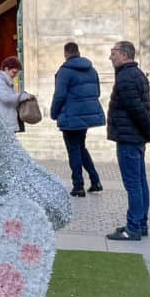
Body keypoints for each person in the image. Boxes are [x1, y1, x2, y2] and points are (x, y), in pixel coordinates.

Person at [106, 41, 150, 241]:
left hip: (129, 138)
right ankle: (140, 223)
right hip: (136, 137)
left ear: (125, 55)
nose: (111, 57)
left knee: (134, 184)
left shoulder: (126, 77)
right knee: (140, 182)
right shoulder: (136, 74)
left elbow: (137, 109)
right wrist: (149, 132)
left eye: (113, 53)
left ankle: (133, 228)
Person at [50, 41, 104, 197]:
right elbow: (97, 92)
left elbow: (59, 95)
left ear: (66, 54)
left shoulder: (65, 71)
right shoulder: (92, 70)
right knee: (81, 148)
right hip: (86, 117)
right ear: (78, 52)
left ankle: (78, 186)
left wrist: (54, 113)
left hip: (70, 117)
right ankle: (95, 181)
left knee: (74, 150)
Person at [0, 56, 30, 135]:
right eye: (14, 72)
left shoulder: (6, 81)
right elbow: (6, 98)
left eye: (17, 73)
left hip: (6, 121)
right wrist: (22, 96)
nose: (15, 75)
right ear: (6, 69)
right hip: (3, 122)